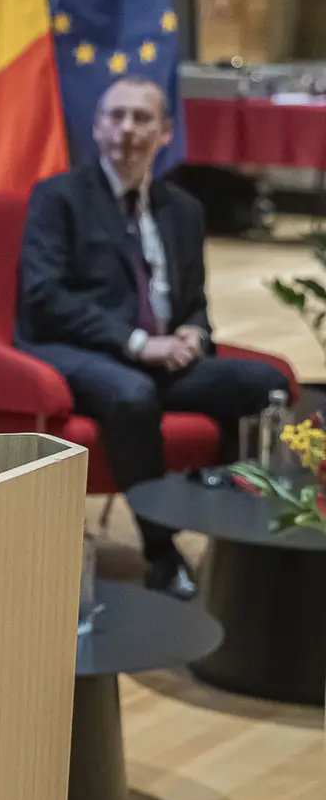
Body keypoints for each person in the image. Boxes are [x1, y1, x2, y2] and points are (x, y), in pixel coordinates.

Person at [17, 76, 285, 598]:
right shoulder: (59, 198)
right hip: (79, 352)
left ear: (165, 133)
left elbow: (195, 301)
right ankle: (162, 553)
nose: (126, 129)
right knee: (133, 394)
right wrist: (139, 343)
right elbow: (45, 299)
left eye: (141, 118)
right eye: (115, 116)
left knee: (262, 384)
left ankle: (231, 532)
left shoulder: (183, 210)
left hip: (160, 359)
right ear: (97, 127)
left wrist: (194, 334)